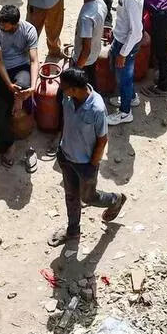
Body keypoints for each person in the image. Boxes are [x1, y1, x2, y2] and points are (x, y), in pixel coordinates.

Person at [49, 67, 126, 250]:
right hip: (66, 157)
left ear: (75, 89)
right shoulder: (68, 98)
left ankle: (115, 200)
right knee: (71, 196)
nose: (61, 90)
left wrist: (92, 165)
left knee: (89, 197)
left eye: (64, 87)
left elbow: (102, 140)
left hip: (85, 164)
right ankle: (73, 230)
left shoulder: (97, 109)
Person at [0, 5, 39, 168]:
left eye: (5, 25)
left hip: (21, 68)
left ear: (15, 24)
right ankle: (10, 144)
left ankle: (19, 99)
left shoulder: (29, 30)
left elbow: (34, 60)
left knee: (23, 85)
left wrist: (33, 86)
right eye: (0, 23)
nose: (1, 26)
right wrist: (9, 84)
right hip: (1, 71)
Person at [106, 0, 143, 124]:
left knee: (124, 77)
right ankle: (131, 97)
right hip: (121, 38)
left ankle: (125, 113)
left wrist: (123, 53)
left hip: (126, 43)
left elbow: (136, 32)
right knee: (123, 75)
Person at [71, 0, 107, 74]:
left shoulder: (86, 17)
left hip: (84, 61)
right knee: (91, 82)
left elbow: (86, 50)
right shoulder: (100, 1)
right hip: (94, 55)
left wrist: (76, 70)